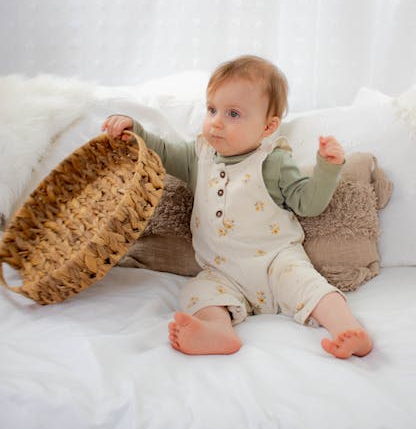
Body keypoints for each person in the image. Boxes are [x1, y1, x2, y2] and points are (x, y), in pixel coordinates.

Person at [102, 55, 372, 359]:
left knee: (312, 287)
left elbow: (307, 204)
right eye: (212, 109)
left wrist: (327, 169)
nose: (216, 121)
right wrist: (134, 130)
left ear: (268, 127)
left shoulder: (272, 161)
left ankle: (349, 330)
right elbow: (161, 152)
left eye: (233, 114)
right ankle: (218, 332)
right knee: (198, 293)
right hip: (221, 271)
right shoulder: (198, 156)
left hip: (276, 262)